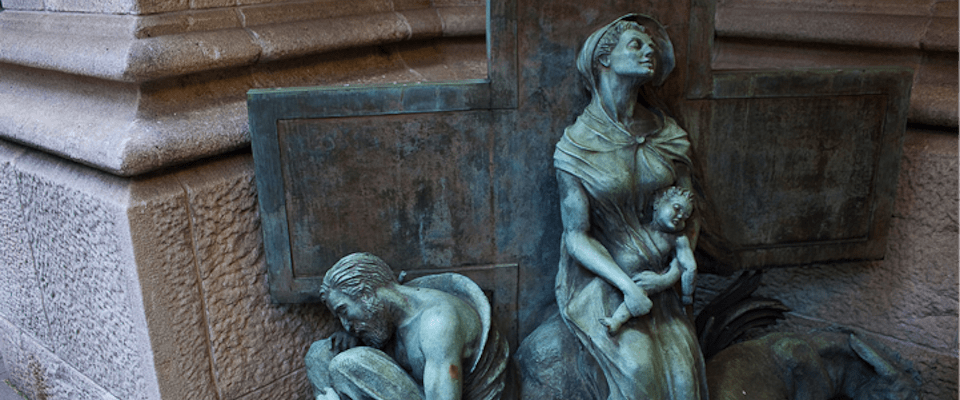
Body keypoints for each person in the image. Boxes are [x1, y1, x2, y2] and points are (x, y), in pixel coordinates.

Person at [553, 14, 708, 400]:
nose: (648, 51)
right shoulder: (575, 148)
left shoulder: (668, 135)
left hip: (660, 283)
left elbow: (690, 216)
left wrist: (669, 277)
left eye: (652, 46)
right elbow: (576, 236)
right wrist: (627, 287)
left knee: (685, 382)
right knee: (640, 373)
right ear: (603, 59)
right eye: (636, 45)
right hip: (605, 283)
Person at [305, 253, 507, 400]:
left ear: (366, 294)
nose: (346, 326)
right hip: (415, 387)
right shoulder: (392, 315)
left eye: (344, 311)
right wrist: (357, 336)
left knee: (347, 363)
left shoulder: (438, 323)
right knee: (320, 355)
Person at [599, 186, 697, 335]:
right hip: (613, 277)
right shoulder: (637, 226)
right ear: (657, 203)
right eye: (676, 208)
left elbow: (689, 266)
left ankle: (617, 321)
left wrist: (687, 295)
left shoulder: (678, 239)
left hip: (646, 281)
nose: (679, 217)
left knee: (640, 292)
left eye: (685, 217)